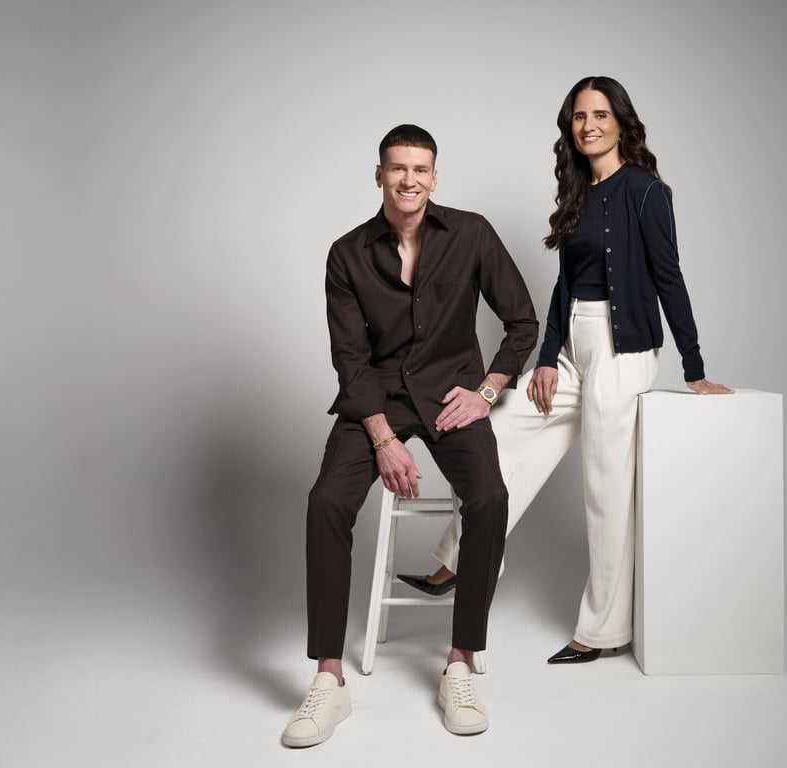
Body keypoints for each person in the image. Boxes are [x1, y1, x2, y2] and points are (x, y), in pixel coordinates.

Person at [398, 76, 731, 664]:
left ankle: (602, 630)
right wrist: (547, 357)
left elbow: (668, 279)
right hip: (573, 343)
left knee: (606, 490)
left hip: (621, 350)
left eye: (599, 114)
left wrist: (695, 366)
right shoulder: (579, 194)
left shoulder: (647, 192)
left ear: (621, 121)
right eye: (579, 116)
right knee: (497, 438)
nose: (588, 125)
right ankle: (458, 558)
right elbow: (564, 288)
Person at [282, 124, 538, 746]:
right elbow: (350, 356)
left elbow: (522, 323)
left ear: (435, 176)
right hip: (377, 401)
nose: (409, 180)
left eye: (420, 169)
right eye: (397, 169)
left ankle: (460, 663)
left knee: (490, 499)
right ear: (378, 175)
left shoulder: (471, 233)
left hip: (454, 397)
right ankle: (328, 679)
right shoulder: (346, 253)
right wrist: (380, 436)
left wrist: (485, 394)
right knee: (326, 503)